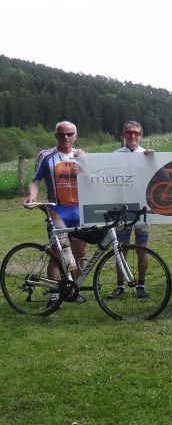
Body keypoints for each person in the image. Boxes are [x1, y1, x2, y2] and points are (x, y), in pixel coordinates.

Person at [25, 121, 87, 305]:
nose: (66, 137)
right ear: (56, 136)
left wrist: (83, 171)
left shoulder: (82, 155)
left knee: (79, 252)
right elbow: (35, 181)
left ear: (76, 136)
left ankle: (75, 291)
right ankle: (54, 293)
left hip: (78, 211)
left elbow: (93, 179)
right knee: (56, 254)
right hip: (57, 211)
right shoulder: (46, 156)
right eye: (61, 134)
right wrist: (31, 197)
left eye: (69, 134)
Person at [106, 121, 154, 299]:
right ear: (123, 135)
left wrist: (153, 159)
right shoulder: (115, 155)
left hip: (142, 208)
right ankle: (120, 285)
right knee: (122, 248)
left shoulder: (147, 154)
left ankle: (141, 285)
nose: (132, 136)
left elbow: (160, 176)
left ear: (141, 135)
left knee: (142, 248)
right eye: (128, 133)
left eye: (136, 133)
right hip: (122, 208)